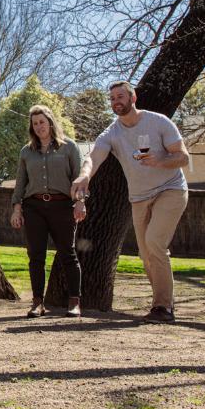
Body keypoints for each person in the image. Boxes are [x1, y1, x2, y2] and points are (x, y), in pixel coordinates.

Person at [70, 81, 190, 323]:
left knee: (154, 242)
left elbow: (183, 157)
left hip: (170, 189)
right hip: (139, 197)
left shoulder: (158, 122)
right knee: (145, 254)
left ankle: (163, 307)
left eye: (121, 96)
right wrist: (84, 176)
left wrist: (161, 160)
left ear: (133, 98)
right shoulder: (112, 133)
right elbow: (93, 157)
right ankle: (162, 303)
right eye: (112, 98)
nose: (116, 101)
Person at [10, 105, 86, 318]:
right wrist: (17, 210)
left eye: (42, 122)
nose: (39, 126)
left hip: (62, 206)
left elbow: (78, 178)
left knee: (68, 253)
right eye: (35, 123)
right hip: (34, 207)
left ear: (50, 122)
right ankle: (37, 303)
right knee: (36, 256)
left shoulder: (69, 147)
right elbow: (20, 184)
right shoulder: (26, 152)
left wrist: (80, 202)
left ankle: (74, 302)